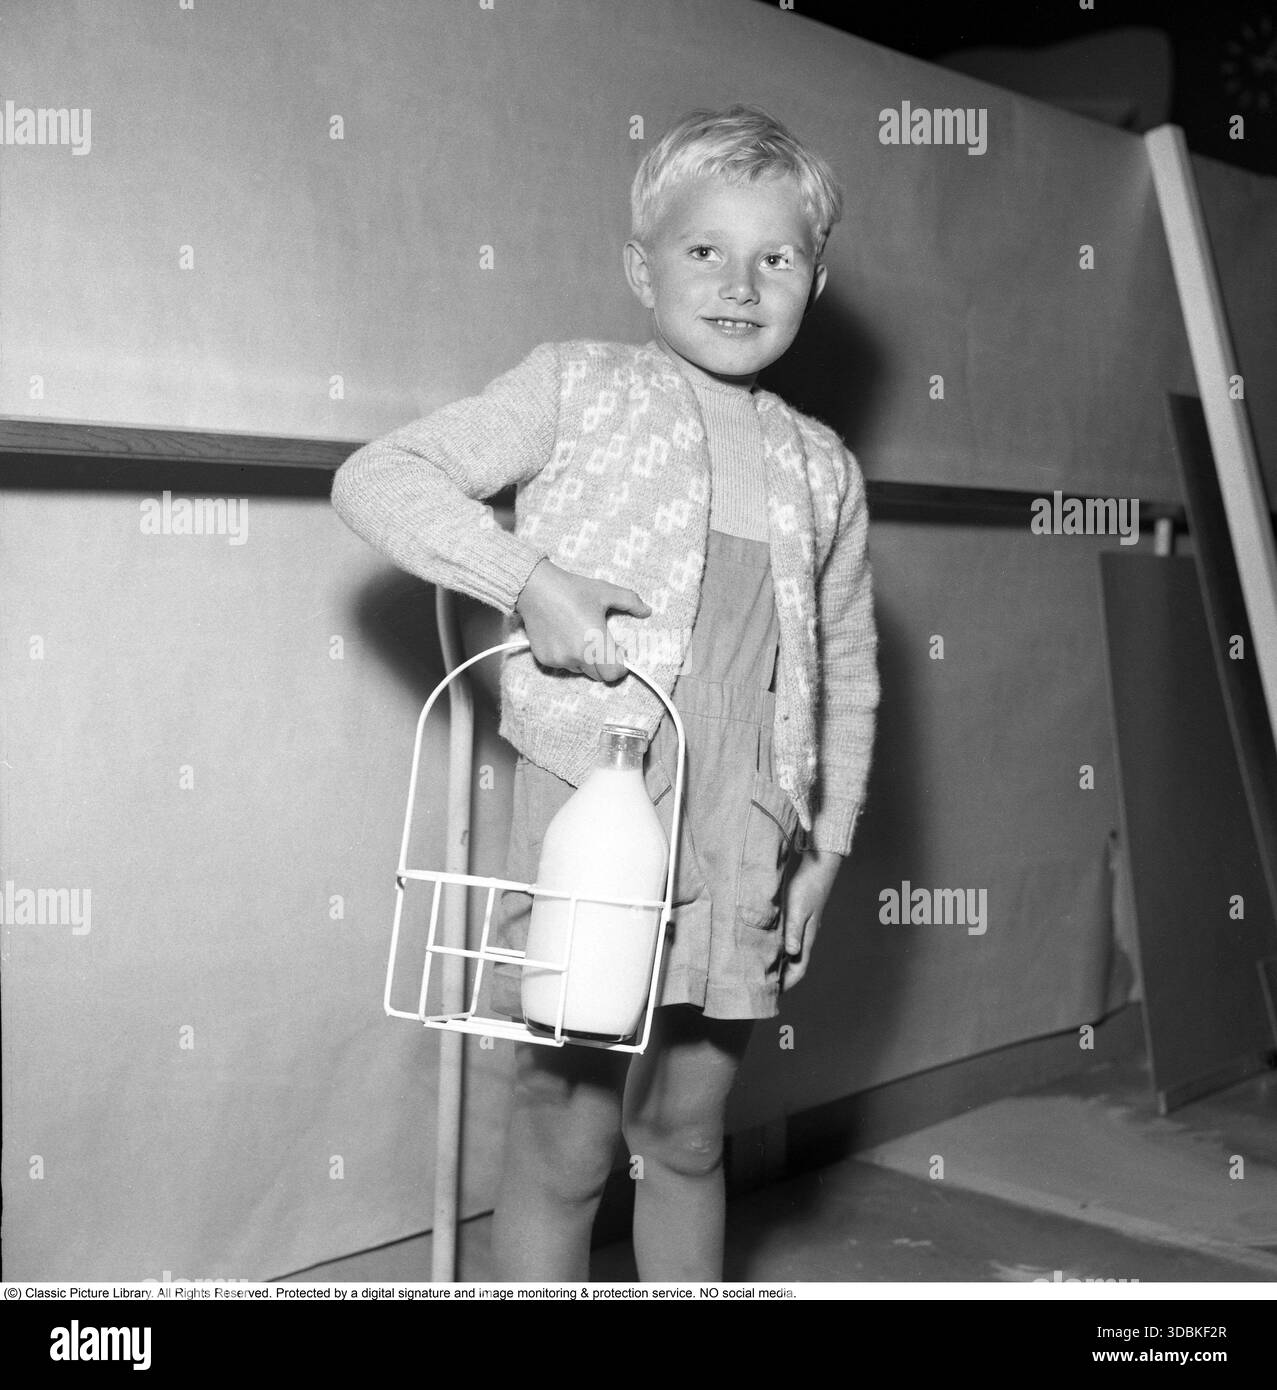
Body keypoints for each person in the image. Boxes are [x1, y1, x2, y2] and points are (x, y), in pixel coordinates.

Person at [330, 104, 879, 1282]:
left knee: (687, 1129)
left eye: (774, 257)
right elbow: (380, 477)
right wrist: (527, 582)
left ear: (813, 281)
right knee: (567, 1136)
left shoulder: (822, 466)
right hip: (600, 813)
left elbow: (845, 672)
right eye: (702, 251)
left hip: (746, 828)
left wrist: (824, 846)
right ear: (640, 266)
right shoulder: (576, 386)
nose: (739, 282)